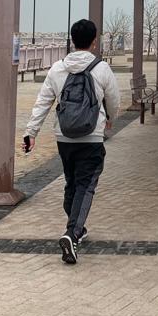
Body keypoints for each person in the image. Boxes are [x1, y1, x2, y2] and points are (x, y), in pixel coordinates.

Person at [23, 19, 120, 265]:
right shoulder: (101, 68)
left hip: (64, 137)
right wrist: (110, 119)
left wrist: (31, 133)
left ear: (73, 40)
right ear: (94, 40)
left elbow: (43, 102)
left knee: (72, 182)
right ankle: (72, 233)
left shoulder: (58, 69)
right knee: (86, 185)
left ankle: (76, 226)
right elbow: (114, 100)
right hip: (91, 136)